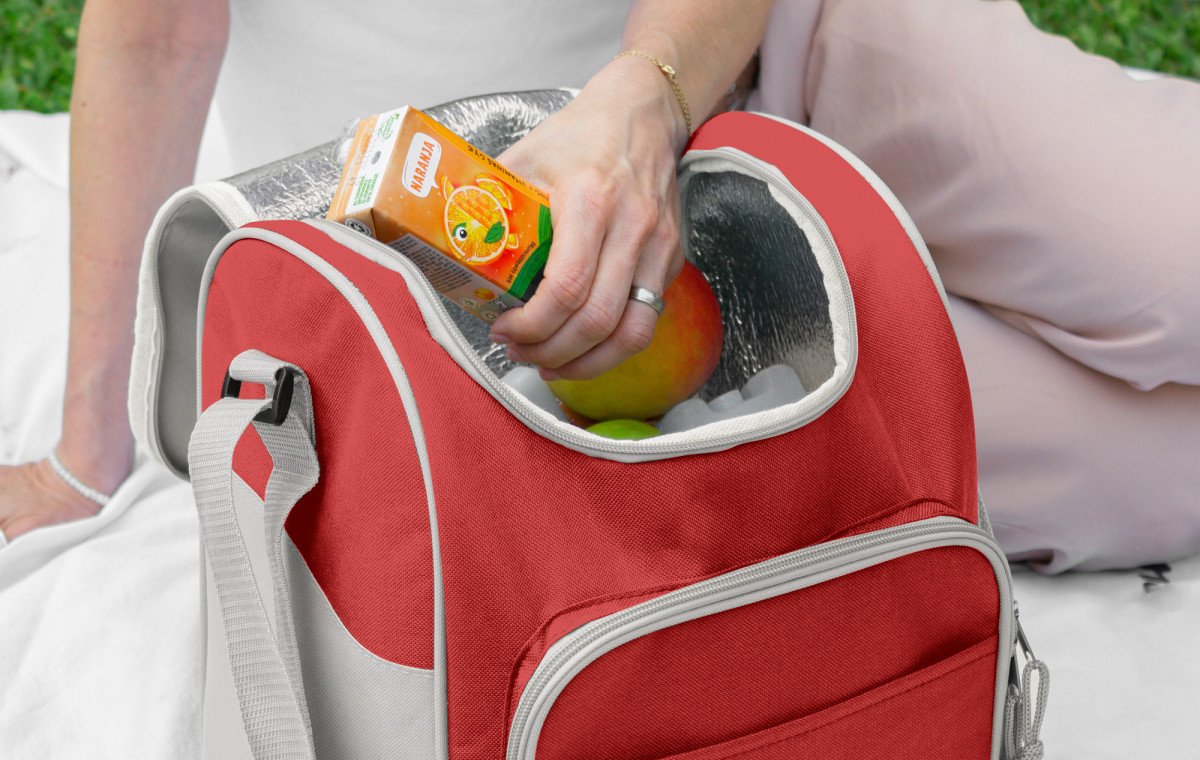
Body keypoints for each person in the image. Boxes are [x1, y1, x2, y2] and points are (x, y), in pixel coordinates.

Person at [1, 0, 1197, 572]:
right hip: (528, 282)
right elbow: (151, 35)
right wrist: (87, 452)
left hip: (775, 40)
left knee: (1174, 255)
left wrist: (645, 98)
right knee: (1151, 472)